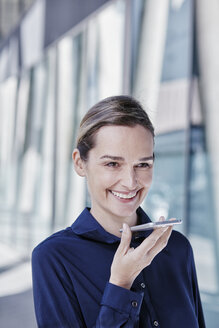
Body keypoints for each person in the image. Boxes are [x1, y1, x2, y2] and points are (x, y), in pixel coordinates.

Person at [32, 95, 206, 328]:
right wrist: (120, 285)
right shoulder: (54, 258)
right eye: (112, 164)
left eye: (142, 164)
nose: (130, 182)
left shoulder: (177, 248)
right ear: (79, 163)